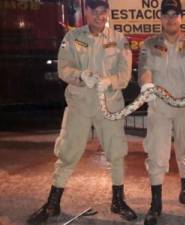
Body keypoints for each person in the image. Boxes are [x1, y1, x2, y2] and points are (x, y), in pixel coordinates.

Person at [27, 0, 136, 224]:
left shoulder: (119, 40)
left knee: (116, 153)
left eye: (103, 11)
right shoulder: (72, 37)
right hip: (80, 104)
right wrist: (80, 76)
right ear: (85, 11)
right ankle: (53, 203)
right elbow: (63, 69)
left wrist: (109, 81)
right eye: (94, 11)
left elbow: (124, 76)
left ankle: (118, 201)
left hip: (109, 104)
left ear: (108, 12)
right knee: (67, 152)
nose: (99, 16)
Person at [137, 0, 185, 224]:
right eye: (165, 14)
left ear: (180, 17)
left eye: (174, 14)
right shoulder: (149, 43)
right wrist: (147, 86)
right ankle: (156, 204)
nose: (170, 19)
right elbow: (145, 70)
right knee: (157, 153)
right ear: (160, 17)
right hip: (159, 107)